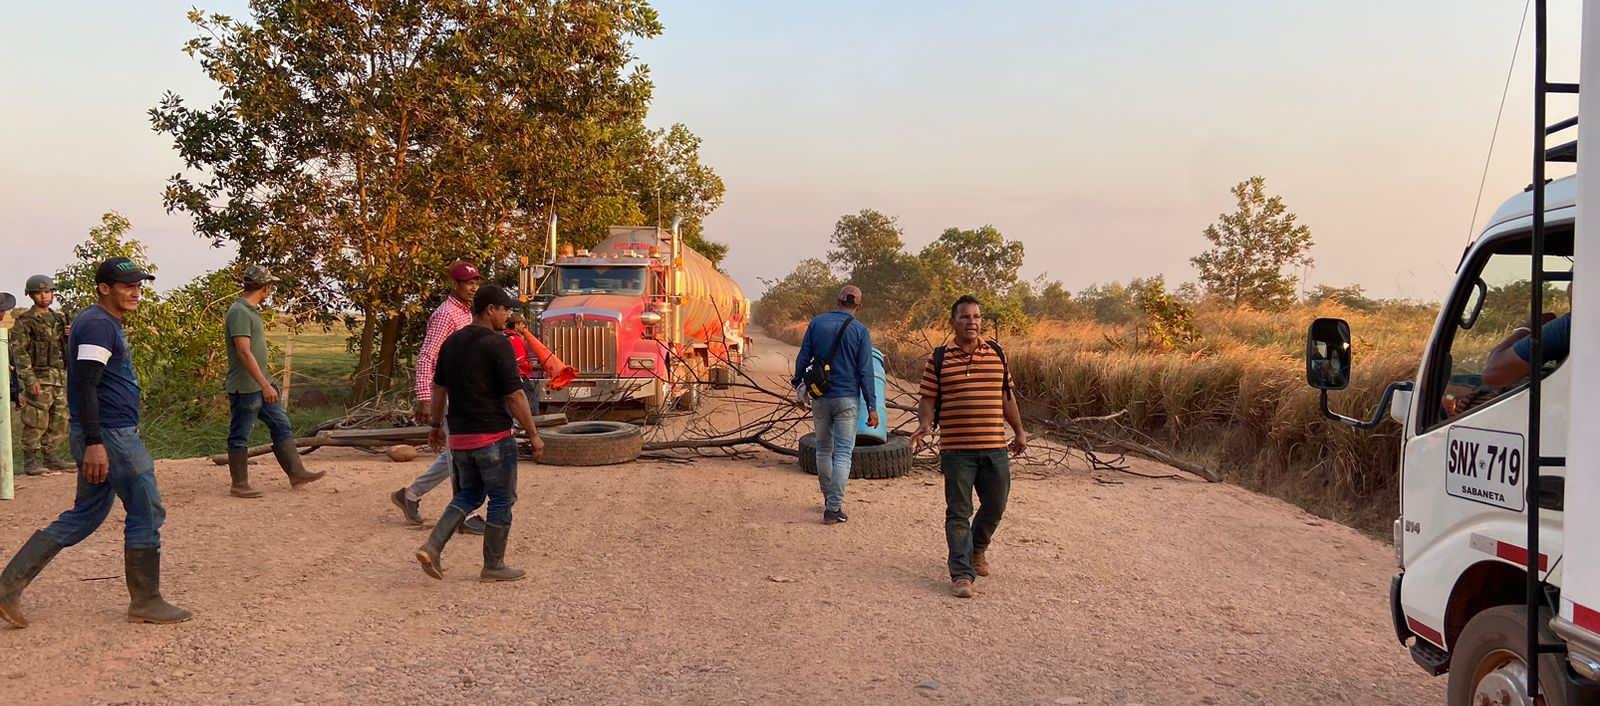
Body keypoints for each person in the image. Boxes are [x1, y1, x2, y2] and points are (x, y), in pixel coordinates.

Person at [0, 257, 192, 628]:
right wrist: (94, 442)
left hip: (105, 433)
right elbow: (87, 384)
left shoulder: (98, 322)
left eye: (139, 285)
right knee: (146, 510)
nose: (135, 292)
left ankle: (7, 588)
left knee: (85, 514)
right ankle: (146, 600)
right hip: (111, 435)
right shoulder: (98, 326)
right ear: (105, 288)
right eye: (127, 286)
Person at [414, 285, 544, 582]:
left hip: (459, 438)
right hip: (493, 437)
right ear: (490, 310)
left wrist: (436, 426)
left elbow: (439, 389)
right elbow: (515, 396)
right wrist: (533, 434)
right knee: (501, 498)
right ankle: (494, 565)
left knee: (469, 494)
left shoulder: (451, 344)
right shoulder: (498, 345)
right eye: (505, 310)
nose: (507, 316)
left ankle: (432, 547)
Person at [910, 295, 1028, 599]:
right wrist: (925, 424)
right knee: (959, 511)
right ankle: (962, 573)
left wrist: (1019, 431)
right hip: (957, 450)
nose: (971, 322)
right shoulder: (938, 358)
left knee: (996, 505)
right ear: (953, 322)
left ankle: (977, 549)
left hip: (994, 447)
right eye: (965, 317)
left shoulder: (997, 354)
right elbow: (928, 399)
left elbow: (1007, 399)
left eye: (976, 317)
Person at [391, 262, 489, 534]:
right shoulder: (446, 314)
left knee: (454, 452)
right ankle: (463, 515)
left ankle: (410, 495)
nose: (472, 287)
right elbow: (427, 356)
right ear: (454, 285)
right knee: (459, 454)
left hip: (461, 391)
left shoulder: (467, 313)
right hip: (443, 393)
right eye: (467, 283)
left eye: (475, 282)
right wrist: (424, 397)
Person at [224, 265, 324, 498]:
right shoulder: (239, 311)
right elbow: (244, 352)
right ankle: (239, 484)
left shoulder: (250, 310)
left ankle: (296, 472)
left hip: (260, 383)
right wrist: (264, 384)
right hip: (247, 386)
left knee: (280, 424)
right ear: (265, 288)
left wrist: (266, 382)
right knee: (240, 434)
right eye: (270, 286)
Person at [791, 284, 878, 524]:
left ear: (838, 300)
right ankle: (833, 507)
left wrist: (799, 385)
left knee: (823, 449)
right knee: (842, 453)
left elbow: (803, 357)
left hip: (821, 397)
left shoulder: (817, 324)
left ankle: (828, 498)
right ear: (858, 306)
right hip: (847, 399)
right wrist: (872, 405)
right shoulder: (860, 331)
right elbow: (865, 371)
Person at [11, 274, 72, 475]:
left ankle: (51, 456)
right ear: (31, 295)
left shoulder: (59, 319)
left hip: (59, 377)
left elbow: (68, 349)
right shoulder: (25, 321)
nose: (44, 296)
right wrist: (29, 380)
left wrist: (70, 335)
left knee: (60, 418)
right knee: (36, 419)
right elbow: (20, 354)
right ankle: (31, 460)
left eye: (48, 292)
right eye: (39, 292)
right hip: (39, 377)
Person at [504, 312, 542, 416]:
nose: (524, 326)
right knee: (531, 401)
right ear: (516, 325)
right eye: (522, 323)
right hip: (520, 377)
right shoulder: (516, 339)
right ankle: (534, 425)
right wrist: (537, 367)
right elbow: (520, 361)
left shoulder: (505, 337)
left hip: (512, 376)